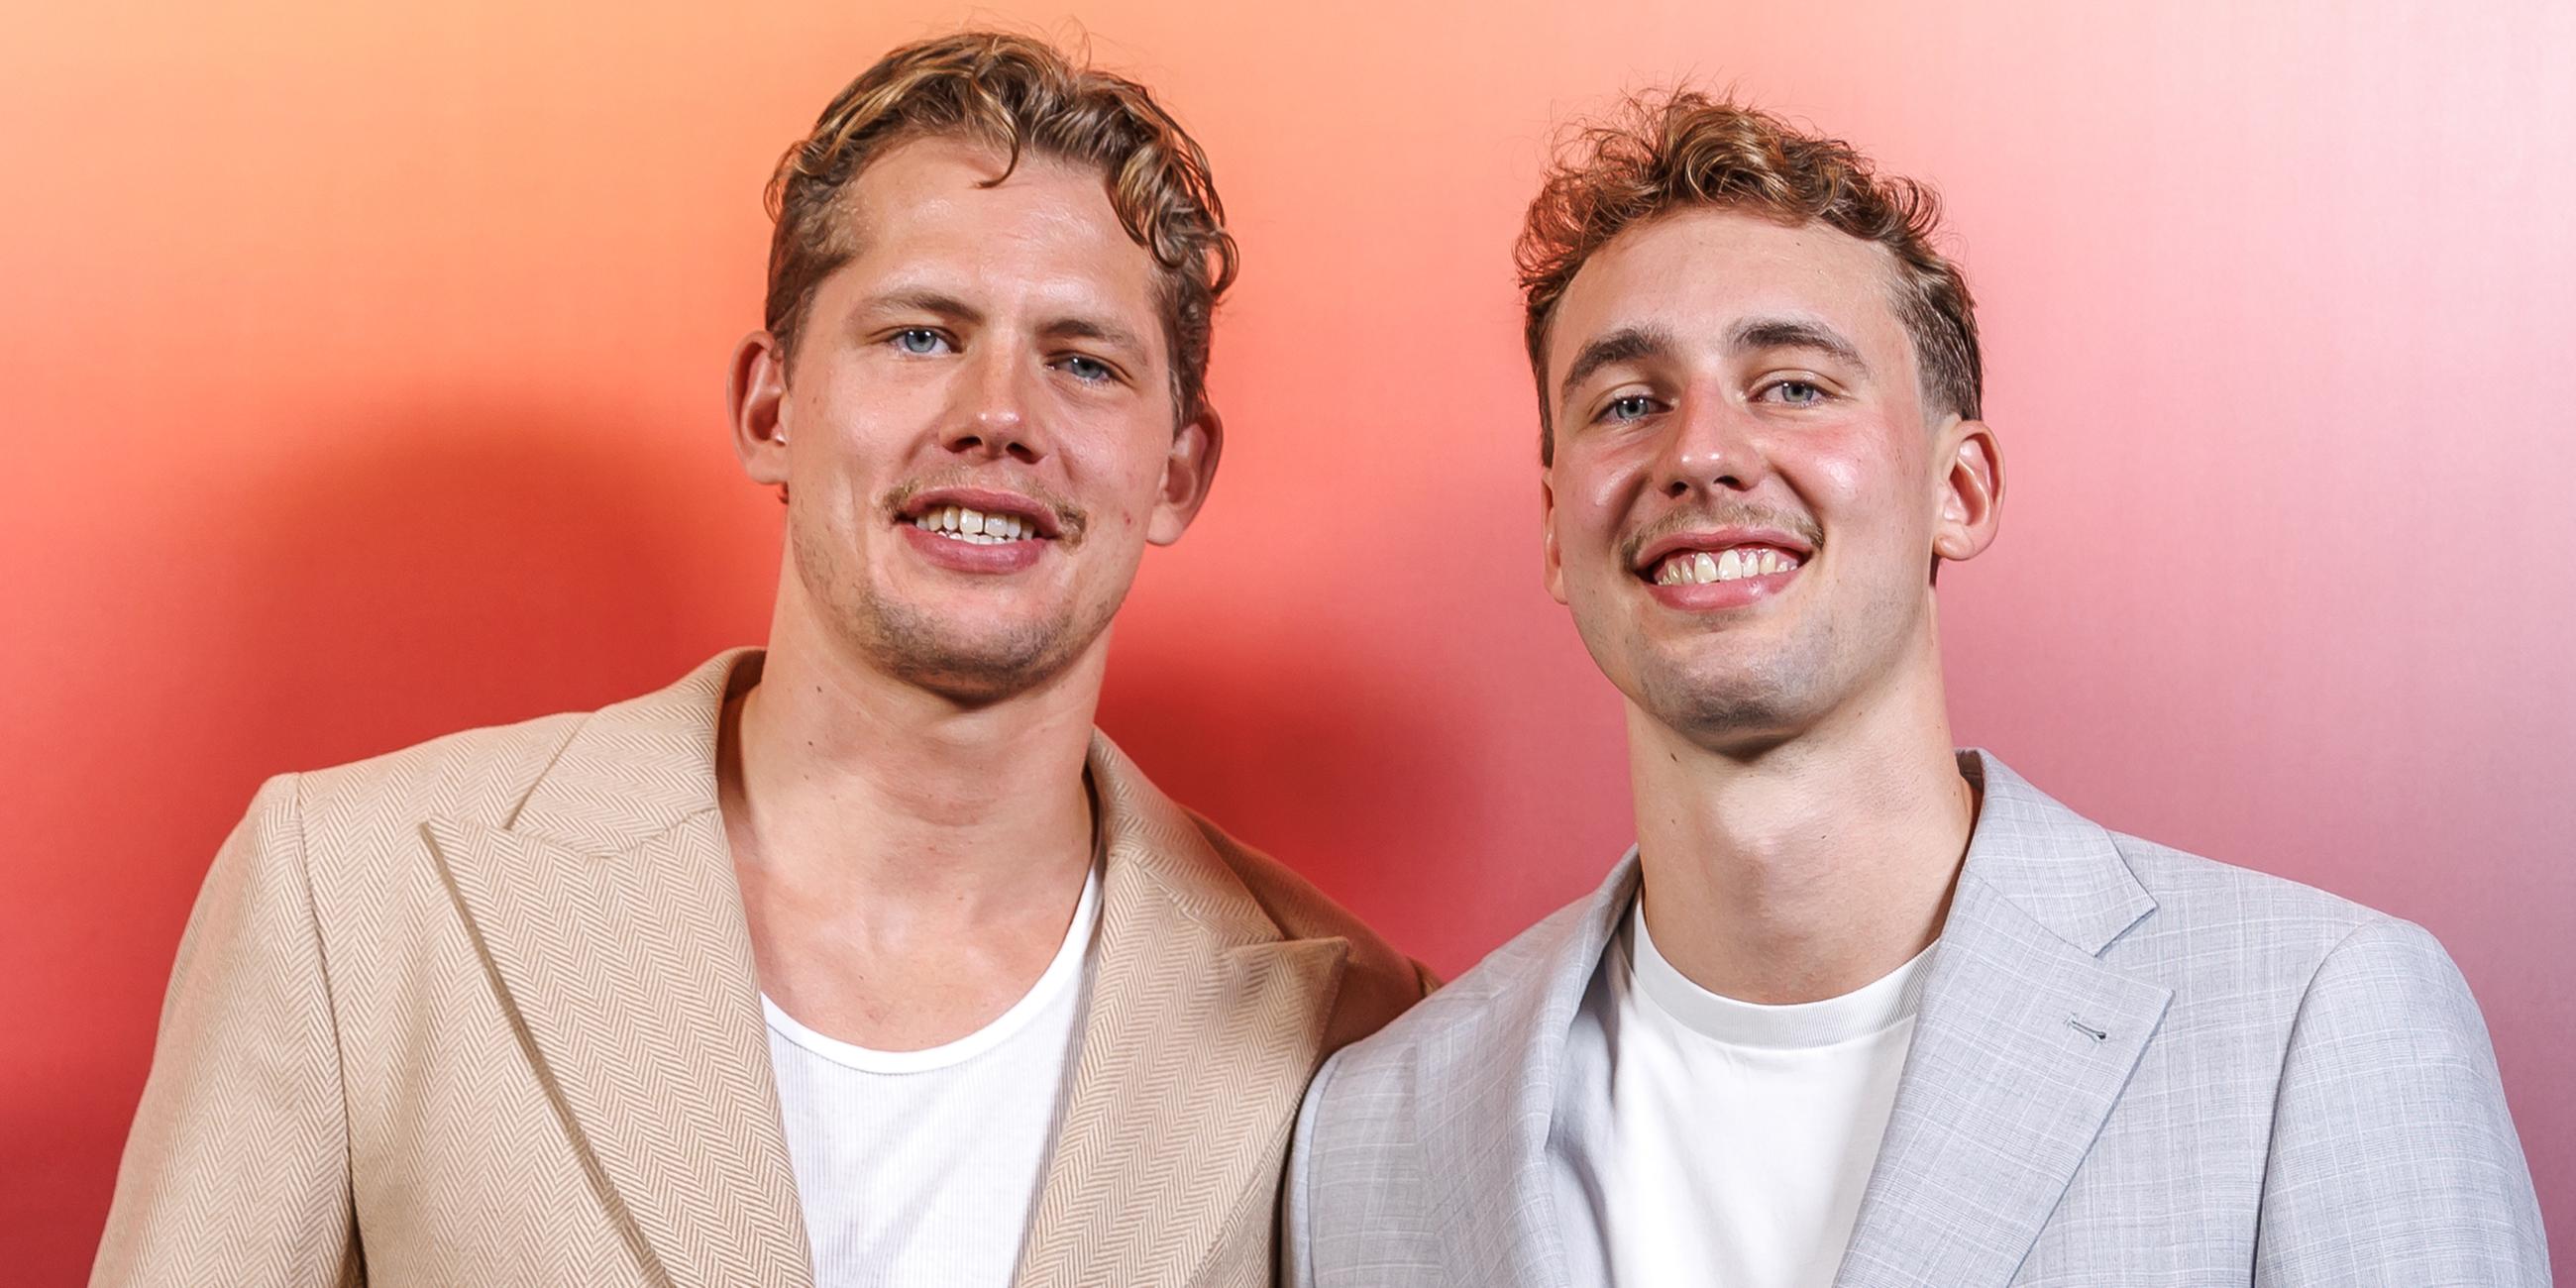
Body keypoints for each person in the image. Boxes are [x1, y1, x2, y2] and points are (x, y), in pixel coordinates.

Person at [95, 32, 1425, 1288]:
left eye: (1082, 361)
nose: (998, 416)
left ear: (1179, 472)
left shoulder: (1359, 1031)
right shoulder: (357, 896)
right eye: (920, 335)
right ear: (771, 405)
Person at [1283, 90, 2548, 1287]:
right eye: (1626, 400)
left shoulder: (2316, 1020)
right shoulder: (1372, 1125)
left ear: (1961, 489)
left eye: (1791, 383)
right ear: (1555, 530)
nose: (1701, 453)